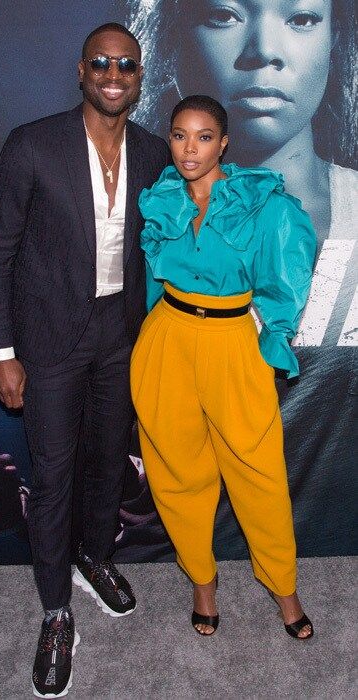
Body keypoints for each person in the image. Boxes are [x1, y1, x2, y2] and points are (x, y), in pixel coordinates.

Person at [127, 0, 357, 561]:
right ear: (179, 38)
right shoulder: (152, 217)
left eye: (301, 18)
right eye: (225, 15)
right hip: (174, 559)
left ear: (335, 39)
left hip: (336, 569)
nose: (263, 52)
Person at [0, 22, 169, 698]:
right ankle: (57, 612)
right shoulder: (31, 144)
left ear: (140, 76)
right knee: (55, 472)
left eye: (126, 64)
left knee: (107, 462)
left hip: (120, 335)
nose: (113, 74)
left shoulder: (152, 152)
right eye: (101, 63)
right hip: (50, 340)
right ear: (81, 71)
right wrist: (2, 351)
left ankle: (96, 555)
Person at [131, 95, 317, 638]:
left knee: (260, 474)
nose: (190, 149)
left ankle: (285, 590)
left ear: (224, 141)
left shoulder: (259, 202)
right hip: (167, 339)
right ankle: (202, 584)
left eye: (204, 136)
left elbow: (288, 268)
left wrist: (277, 334)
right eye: (180, 135)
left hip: (232, 340)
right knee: (176, 472)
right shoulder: (162, 199)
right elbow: (147, 282)